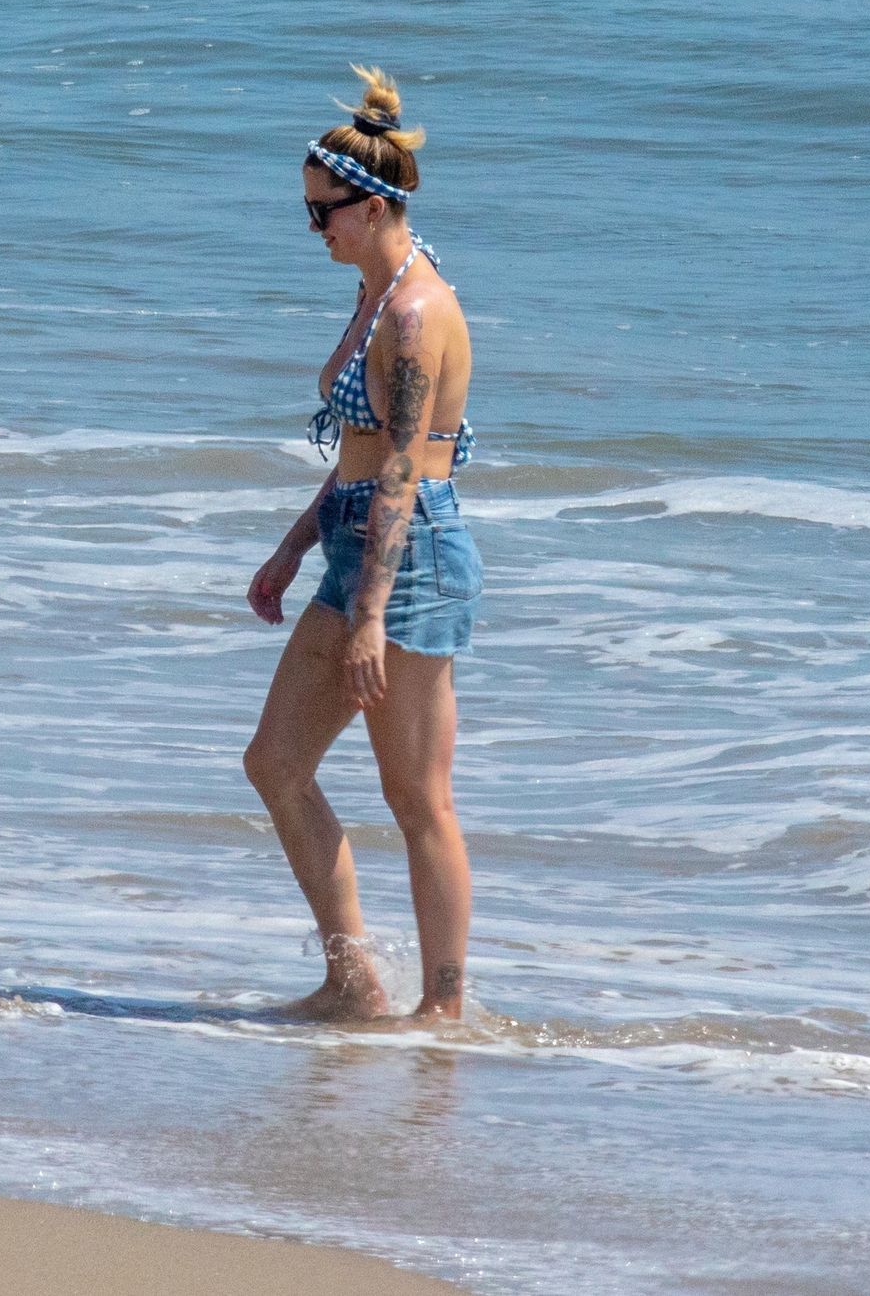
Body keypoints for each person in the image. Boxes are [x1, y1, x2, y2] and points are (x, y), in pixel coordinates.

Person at [243, 65, 484, 1022]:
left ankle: (444, 1010)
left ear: (376, 205)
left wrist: (372, 615)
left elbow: (403, 471)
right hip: (357, 538)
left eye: (324, 214)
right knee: (275, 763)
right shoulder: (374, 298)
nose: (316, 231)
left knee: (418, 798)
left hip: (410, 559)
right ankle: (353, 983)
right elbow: (358, 455)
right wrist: (295, 545)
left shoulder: (418, 317)